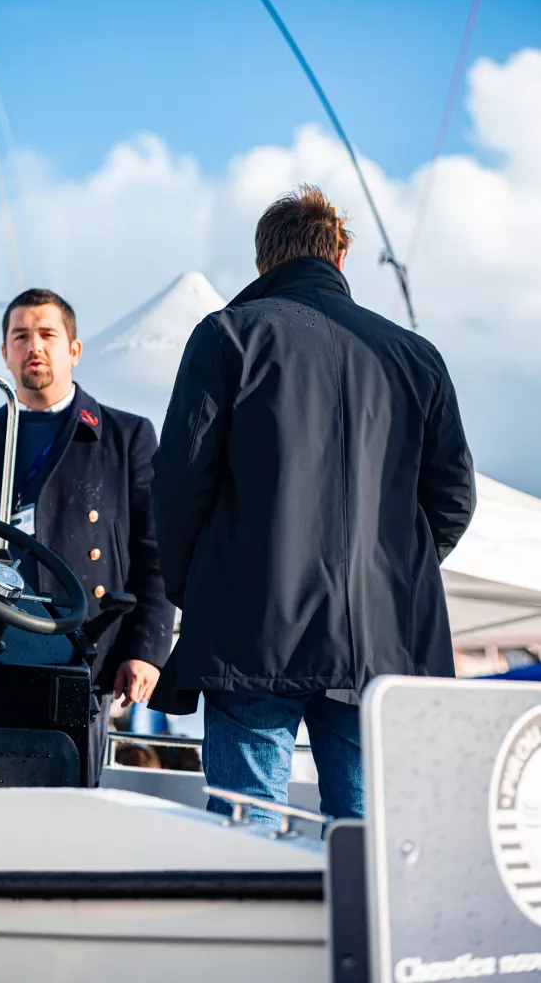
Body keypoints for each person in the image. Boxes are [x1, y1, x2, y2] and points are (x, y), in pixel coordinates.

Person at [150, 185, 475, 826]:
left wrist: (199, 585)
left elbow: (179, 483)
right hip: (379, 638)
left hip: (249, 624)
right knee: (368, 833)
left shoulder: (227, 336)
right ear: (340, 257)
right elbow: (453, 497)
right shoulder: (417, 357)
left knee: (247, 828)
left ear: (263, 260)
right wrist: (390, 573)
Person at [0, 288, 174, 786]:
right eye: (21, 336)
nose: (34, 345)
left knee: (68, 800)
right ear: (5, 353)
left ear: (73, 349)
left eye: (47, 334)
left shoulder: (126, 436)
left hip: (83, 651)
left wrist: (146, 649)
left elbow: (155, 551)